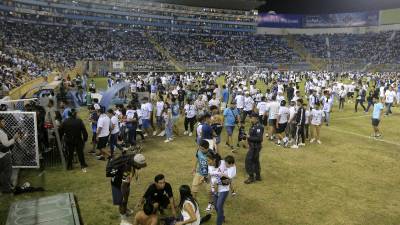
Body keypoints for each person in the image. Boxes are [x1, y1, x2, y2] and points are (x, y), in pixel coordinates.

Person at [110, 153, 147, 225]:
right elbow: (123, 185)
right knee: (122, 202)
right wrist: (123, 196)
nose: (141, 167)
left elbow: (127, 181)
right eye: (140, 165)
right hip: (117, 184)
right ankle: (123, 220)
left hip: (124, 182)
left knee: (126, 197)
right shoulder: (126, 168)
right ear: (135, 163)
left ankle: (125, 209)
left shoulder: (132, 159)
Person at [0, 116, 20, 193]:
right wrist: (14, 138)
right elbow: (6, 144)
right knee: (7, 172)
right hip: (4, 155)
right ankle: (6, 189)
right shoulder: (1, 132)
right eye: (3, 121)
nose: (4, 123)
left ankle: (5, 186)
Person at [244, 113, 264, 184]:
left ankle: (251, 177)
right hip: (253, 146)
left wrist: (249, 137)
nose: (250, 119)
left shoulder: (259, 127)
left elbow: (259, 138)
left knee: (248, 161)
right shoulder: (254, 125)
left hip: (255, 147)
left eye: (251, 118)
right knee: (255, 161)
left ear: (256, 118)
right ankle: (258, 176)